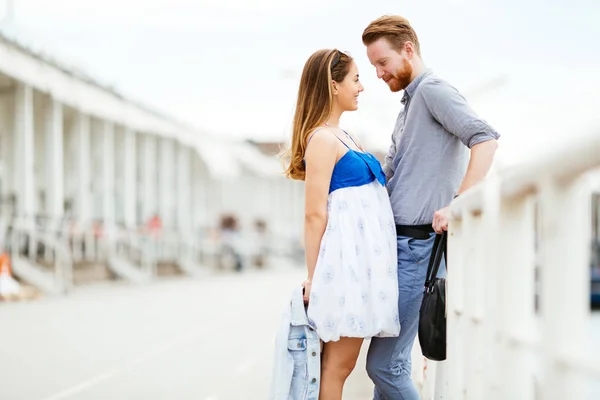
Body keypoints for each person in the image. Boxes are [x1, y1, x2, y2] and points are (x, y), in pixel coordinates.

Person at [361, 15, 500, 399]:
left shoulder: (434, 90)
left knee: (384, 366)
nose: (378, 73)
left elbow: (485, 139)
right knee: (394, 366)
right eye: (373, 66)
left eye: (382, 63)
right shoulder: (409, 103)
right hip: (401, 248)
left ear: (408, 50)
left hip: (420, 248)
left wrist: (459, 203)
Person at [283, 49, 400, 399]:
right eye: (355, 79)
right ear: (334, 85)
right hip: (343, 270)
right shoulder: (322, 139)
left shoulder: (343, 135)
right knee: (337, 366)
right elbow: (315, 213)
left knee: (339, 366)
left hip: (361, 268)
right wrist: (314, 278)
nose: (361, 87)